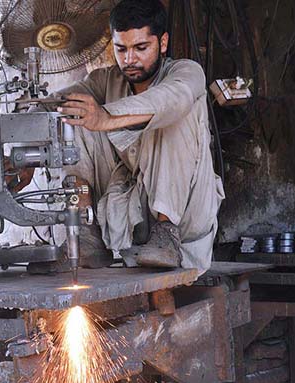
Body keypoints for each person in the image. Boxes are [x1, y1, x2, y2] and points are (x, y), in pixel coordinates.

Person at [55, 0, 225, 270]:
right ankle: (85, 234)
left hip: (184, 222)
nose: (129, 59)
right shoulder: (106, 81)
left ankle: (165, 234)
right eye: (121, 49)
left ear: (163, 42)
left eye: (141, 48)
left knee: (176, 113)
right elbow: (56, 103)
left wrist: (105, 117)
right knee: (73, 111)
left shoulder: (186, 72)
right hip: (132, 212)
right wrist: (22, 154)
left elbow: (172, 99)